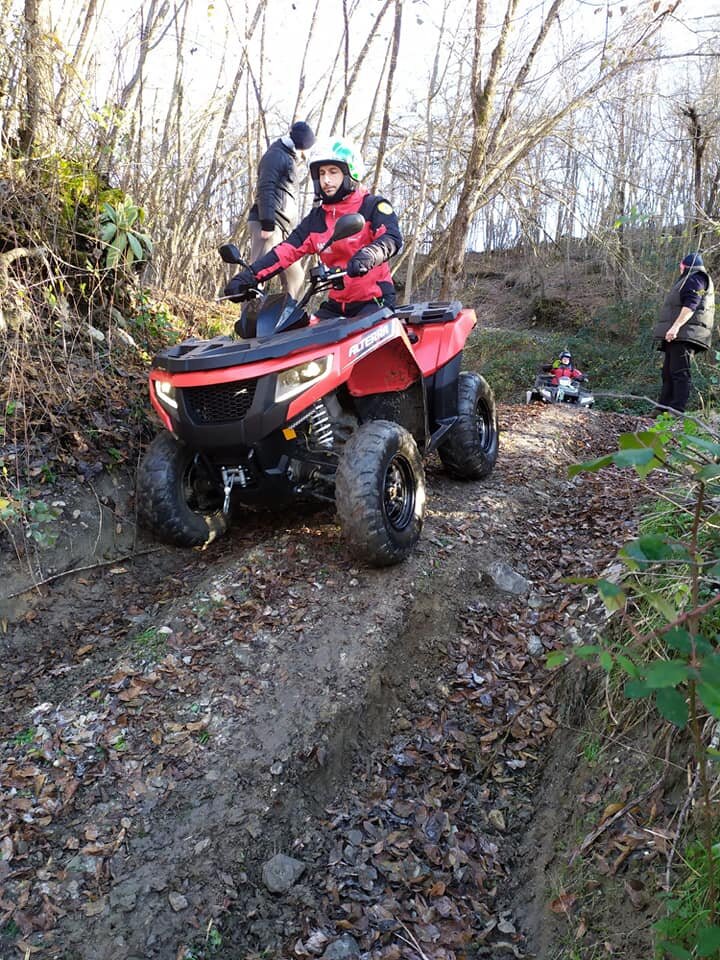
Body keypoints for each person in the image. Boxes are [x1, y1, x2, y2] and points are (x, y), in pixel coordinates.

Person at [225, 136, 402, 320]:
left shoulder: (372, 206)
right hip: (336, 305)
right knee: (302, 340)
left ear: (350, 172)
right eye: (321, 173)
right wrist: (250, 276)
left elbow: (391, 238)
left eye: (333, 172)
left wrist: (369, 255)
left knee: (362, 339)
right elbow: (286, 251)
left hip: (374, 302)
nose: (326, 180)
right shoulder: (317, 218)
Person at [247, 120, 316, 300]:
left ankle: (292, 322)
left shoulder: (288, 158)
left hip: (285, 229)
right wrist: (267, 223)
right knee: (257, 275)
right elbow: (266, 186)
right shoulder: (276, 155)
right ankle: (249, 324)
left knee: (297, 278)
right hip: (269, 224)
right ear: (302, 146)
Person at [652, 252, 715, 414]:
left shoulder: (695, 279)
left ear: (684, 265)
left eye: (681, 265)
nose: (679, 268)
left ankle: (676, 410)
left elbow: (691, 305)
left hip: (685, 334)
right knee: (667, 372)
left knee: (680, 373)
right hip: (680, 334)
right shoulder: (690, 279)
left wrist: (675, 327)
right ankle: (662, 409)